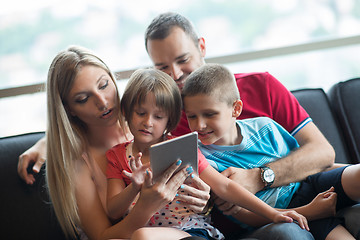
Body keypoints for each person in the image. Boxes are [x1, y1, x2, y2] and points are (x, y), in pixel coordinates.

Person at [143, 12, 360, 238]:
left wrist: (258, 178)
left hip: (305, 189)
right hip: (254, 225)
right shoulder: (165, 128)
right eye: (163, 67)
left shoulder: (261, 87)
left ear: (201, 47)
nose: (175, 74)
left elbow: (322, 153)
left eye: (182, 60)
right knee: (289, 233)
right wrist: (206, 202)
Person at [106, 68, 310, 240]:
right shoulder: (117, 156)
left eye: (158, 116)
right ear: (126, 111)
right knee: (142, 235)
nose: (148, 122)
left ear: (170, 122)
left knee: (142, 236)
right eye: (140, 113)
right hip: (154, 233)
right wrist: (134, 187)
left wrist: (273, 214)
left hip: (192, 230)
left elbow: (225, 186)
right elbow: (114, 211)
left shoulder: (181, 148)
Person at [181, 63, 360, 240]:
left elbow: (305, 167)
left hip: (308, 185)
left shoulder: (264, 126)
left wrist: (345, 171)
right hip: (285, 211)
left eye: (210, 114)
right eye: (192, 116)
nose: (199, 125)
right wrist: (309, 211)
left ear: (236, 109)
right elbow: (242, 215)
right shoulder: (203, 161)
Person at [43, 45, 204, 240]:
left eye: (103, 85)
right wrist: (145, 207)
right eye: (83, 98)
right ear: (69, 109)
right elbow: (103, 237)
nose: (102, 102)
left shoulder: (147, 127)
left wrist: (204, 201)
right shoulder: (78, 166)